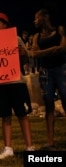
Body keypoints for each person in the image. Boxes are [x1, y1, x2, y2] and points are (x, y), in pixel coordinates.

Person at [0, 12, 34, 159]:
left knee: (22, 115)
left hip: (16, 83)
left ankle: (30, 147)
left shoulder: (16, 38)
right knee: (5, 117)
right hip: (0, 84)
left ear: (6, 25)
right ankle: (8, 148)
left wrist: (23, 53)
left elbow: (26, 60)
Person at [29, 9, 66, 150]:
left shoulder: (60, 30)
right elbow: (34, 54)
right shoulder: (36, 36)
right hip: (46, 72)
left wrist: (42, 52)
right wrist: (53, 49)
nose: (35, 21)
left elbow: (63, 48)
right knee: (49, 105)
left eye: (36, 18)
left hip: (61, 69)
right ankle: (50, 142)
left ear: (45, 17)